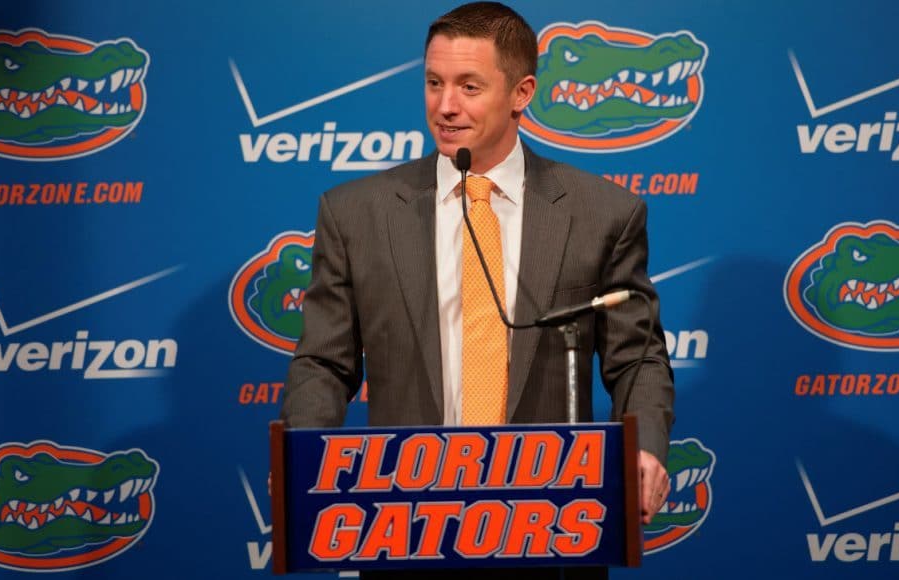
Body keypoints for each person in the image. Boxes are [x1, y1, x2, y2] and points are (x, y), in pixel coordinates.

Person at [281, 3, 675, 578]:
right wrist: (304, 457)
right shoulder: (355, 215)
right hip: (404, 527)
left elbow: (637, 356)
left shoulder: (602, 214)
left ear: (522, 93)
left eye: (469, 86)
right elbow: (323, 362)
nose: (445, 106)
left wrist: (645, 448)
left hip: (554, 525)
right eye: (434, 83)